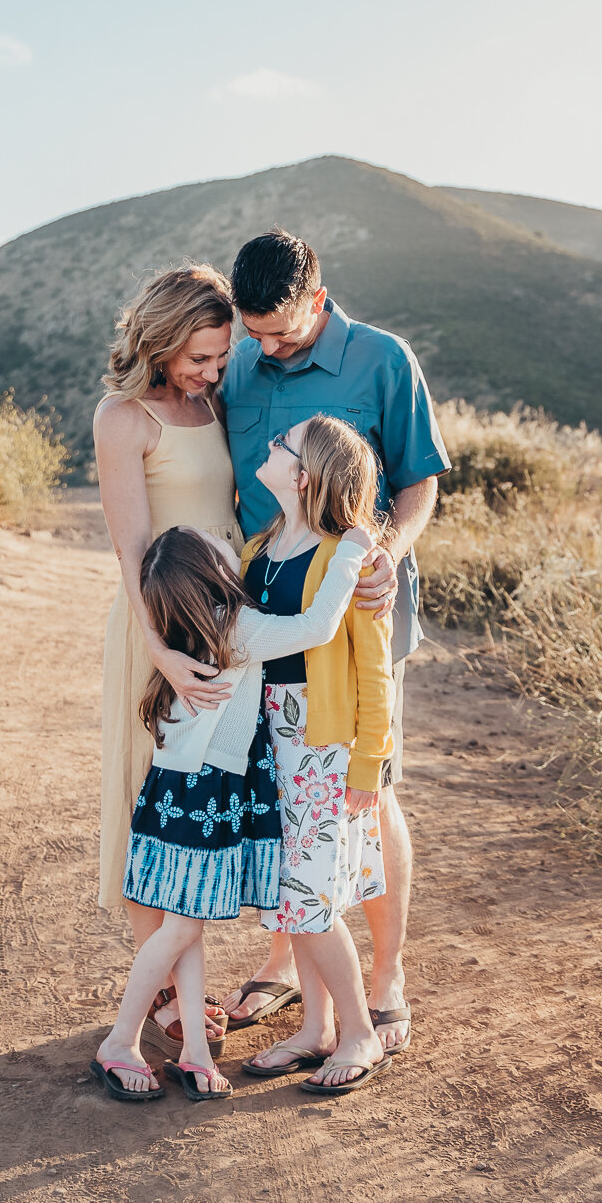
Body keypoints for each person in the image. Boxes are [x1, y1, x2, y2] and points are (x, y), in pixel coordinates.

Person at [215, 230, 449, 1057]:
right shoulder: (237, 365)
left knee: (365, 790)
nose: (264, 348)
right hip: (270, 618)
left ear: (318, 298)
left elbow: (418, 480)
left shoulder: (383, 360)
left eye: (280, 331)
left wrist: (389, 547)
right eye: (253, 333)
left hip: (355, 618)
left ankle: (383, 978)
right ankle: (290, 960)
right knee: (286, 800)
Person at [91, 519, 376, 1101]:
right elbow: (317, 628)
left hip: (174, 798)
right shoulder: (235, 628)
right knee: (177, 933)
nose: (232, 543)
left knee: (183, 929)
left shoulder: (181, 635)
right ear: (215, 576)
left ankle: (194, 1051)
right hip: (206, 801)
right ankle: (120, 1040)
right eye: (223, 547)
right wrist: (350, 553)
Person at [93, 265, 245, 1059]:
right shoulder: (124, 419)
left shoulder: (215, 402)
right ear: (158, 339)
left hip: (225, 626)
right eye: (199, 357)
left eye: (220, 357)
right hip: (161, 631)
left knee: (207, 801)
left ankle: (182, 980)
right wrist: (160, 651)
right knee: (152, 800)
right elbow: (130, 551)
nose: (212, 372)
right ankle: (164, 993)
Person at [238, 416, 397, 1093]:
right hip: (271, 750)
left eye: (283, 444)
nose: (269, 445)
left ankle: (358, 1030)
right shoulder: (259, 550)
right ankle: (315, 1028)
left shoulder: (347, 557)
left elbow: (376, 669)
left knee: (312, 899)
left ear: (303, 476)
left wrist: (370, 763)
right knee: (289, 895)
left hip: (324, 753)